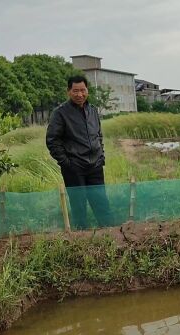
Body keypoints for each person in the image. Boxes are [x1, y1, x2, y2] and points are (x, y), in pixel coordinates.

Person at [46, 75, 113, 230]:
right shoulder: (60, 113)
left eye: (83, 90)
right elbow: (52, 140)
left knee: (102, 203)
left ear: (87, 90)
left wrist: (101, 155)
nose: (80, 94)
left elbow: (98, 135)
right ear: (69, 91)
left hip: (95, 166)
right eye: (75, 91)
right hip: (74, 168)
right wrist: (67, 163)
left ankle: (110, 236)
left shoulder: (93, 111)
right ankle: (82, 240)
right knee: (79, 207)